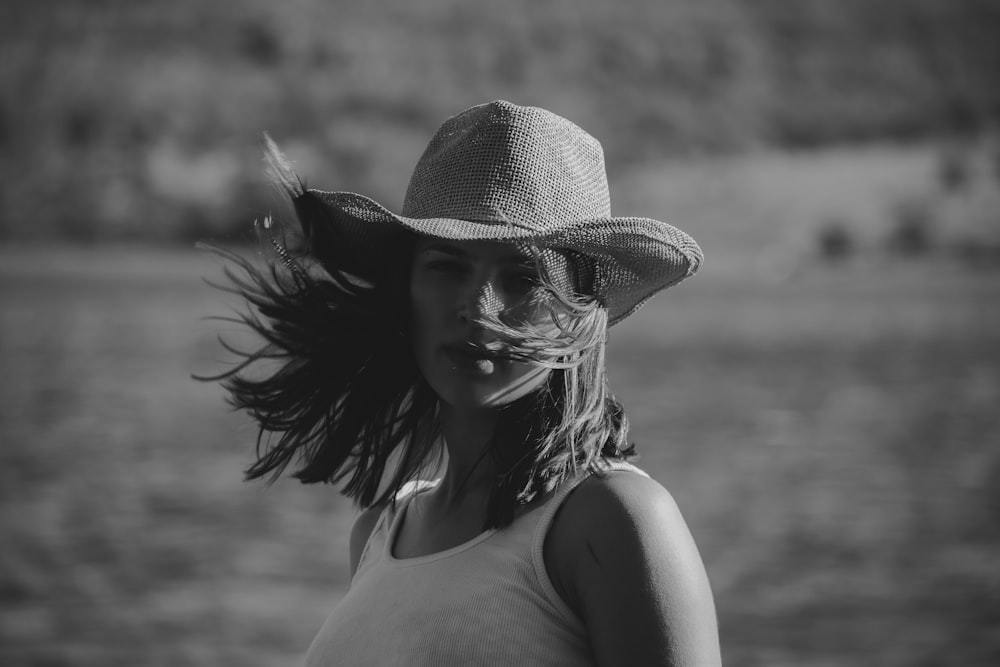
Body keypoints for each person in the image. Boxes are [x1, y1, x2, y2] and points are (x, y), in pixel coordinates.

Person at [205, 100, 721, 666]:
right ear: (406, 291)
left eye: (523, 277)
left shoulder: (614, 519)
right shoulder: (379, 533)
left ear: (578, 310)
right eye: (447, 267)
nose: (478, 308)